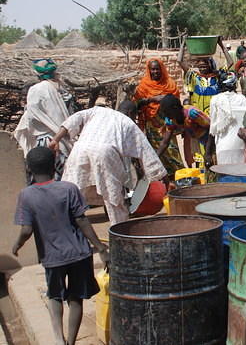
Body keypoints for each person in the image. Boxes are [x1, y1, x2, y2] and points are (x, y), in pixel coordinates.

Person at [12, 146, 109, 345]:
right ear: (53, 165)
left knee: (54, 296)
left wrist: (17, 245)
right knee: (76, 298)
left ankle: (58, 339)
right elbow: (82, 221)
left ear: (29, 168)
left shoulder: (27, 195)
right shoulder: (68, 188)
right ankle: (71, 342)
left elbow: (26, 230)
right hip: (80, 254)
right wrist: (100, 248)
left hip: (53, 258)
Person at [48, 102, 166, 225]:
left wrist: (56, 139)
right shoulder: (128, 122)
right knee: (113, 197)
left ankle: (63, 227)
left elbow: (73, 119)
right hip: (105, 153)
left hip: (79, 150)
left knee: (71, 192)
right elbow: (145, 151)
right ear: (132, 114)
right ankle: (119, 230)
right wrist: (160, 177)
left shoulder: (97, 111)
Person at [14, 58, 75, 183]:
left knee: (44, 180)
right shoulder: (62, 91)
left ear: (38, 74)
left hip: (47, 142)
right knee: (63, 180)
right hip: (63, 139)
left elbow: (32, 114)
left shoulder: (36, 90)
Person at [134, 58, 183, 179]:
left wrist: (165, 98)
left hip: (167, 123)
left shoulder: (170, 83)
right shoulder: (143, 86)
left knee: (171, 150)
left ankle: (179, 177)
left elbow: (176, 102)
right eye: (153, 69)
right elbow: (137, 104)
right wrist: (151, 100)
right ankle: (164, 180)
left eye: (157, 69)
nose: (156, 72)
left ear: (162, 69)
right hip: (153, 125)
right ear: (149, 70)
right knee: (157, 151)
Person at [206, 71, 246, 165]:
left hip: (223, 147)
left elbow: (212, 129)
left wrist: (208, 153)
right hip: (242, 146)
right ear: (235, 84)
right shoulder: (245, 100)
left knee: (226, 178)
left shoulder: (215, 100)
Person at [158, 94, 210, 169]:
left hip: (210, 140)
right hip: (199, 139)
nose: (166, 115)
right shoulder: (172, 119)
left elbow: (212, 129)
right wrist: (156, 157)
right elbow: (165, 142)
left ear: (175, 109)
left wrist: (208, 152)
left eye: (167, 112)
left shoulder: (192, 114)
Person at [177, 42, 219, 115]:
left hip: (213, 113)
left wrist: (220, 44)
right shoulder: (194, 76)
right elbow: (179, 61)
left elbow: (230, 63)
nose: (202, 69)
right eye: (200, 67)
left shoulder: (216, 77)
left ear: (209, 66)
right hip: (198, 114)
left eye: (204, 66)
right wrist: (183, 44)